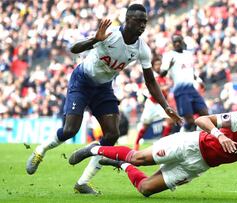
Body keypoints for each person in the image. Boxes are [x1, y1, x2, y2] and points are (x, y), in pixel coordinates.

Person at [25, 4, 182, 194]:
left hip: (104, 88)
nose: (143, 25)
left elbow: (150, 81)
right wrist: (94, 40)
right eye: (139, 21)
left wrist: (166, 107)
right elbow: (74, 48)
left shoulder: (142, 49)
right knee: (69, 130)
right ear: (128, 19)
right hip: (82, 81)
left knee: (112, 135)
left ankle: (83, 182)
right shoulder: (110, 34)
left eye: (145, 22)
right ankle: (40, 151)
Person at [69, 100, 237, 197]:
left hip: (199, 165)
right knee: (138, 158)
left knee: (145, 189)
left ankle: (119, 163)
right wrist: (217, 135)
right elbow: (201, 120)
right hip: (190, 144)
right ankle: (95, 150)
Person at [160, 34, 209, 132]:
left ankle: (204, 136)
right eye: (175, 42)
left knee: (205, 113)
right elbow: (162, 73)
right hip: (181, 91)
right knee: (189, 120)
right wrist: (169, 66)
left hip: (192, 89)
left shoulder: (188, 54)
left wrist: (199, 81)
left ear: (183, 42)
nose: (177, 44)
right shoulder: (169, 55)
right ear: (172, 44)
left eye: (179, 41)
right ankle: (183, 135)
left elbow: (192, 71)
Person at [134, 56, 174, 150]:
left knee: (170, 121)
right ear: (152, 65)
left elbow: (166, 84)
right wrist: (165, 87)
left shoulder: (164, 77)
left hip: (161, 104)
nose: (158, 66)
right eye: (156, 64)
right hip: (151, 103)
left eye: (159, 64)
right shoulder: (152, 75)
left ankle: (162, 143)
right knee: (145, 125)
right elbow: (157, 88)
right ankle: (136, 143)